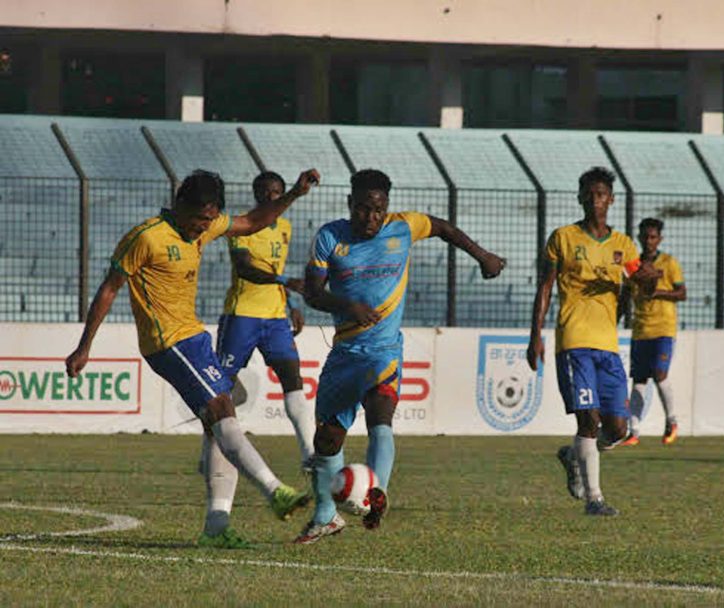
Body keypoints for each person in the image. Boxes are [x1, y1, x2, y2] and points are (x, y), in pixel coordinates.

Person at [65, 168, 320, 549]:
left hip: (194, 337)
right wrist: (85, 346)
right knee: (221, 408)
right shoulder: (146, 236)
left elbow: (253, 221)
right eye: (199, 219)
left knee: (221, 416)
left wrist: (295, 194)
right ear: (181, 204)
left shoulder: (207, 225)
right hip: (166, 343)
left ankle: (216, 527)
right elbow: (109, 289)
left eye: (209, 220)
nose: (203, 228)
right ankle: (274, 490)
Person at [295, 168, 505, 544]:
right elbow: (312, 292)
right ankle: (326, 516)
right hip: (345, 354)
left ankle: (378, 496)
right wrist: (347, 305)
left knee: (381, 416)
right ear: (350, 204)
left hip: (384, 351)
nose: (371, 218)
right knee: (327, 440)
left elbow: (444, 228)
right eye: (363, 209)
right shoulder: (330, 237)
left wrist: (483, 255)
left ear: (386, 207)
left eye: (378, 210)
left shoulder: (403, 227)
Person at [526, 167, 657, 517]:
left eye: (601, 194)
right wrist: (534, 335)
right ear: (580, 197)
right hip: (573, 342)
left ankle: (574, 456)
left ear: (611, 200)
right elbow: (545, 287)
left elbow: (642, 285)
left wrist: (647, 279)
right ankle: (594, 500)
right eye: (589, 193)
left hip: (608, 346)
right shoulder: (563, 238)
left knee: (618, 429)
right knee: (588, 422)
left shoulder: (623, 245)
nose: (595, 200)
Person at [216, 171, 315, 474]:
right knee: (221, 387)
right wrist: (286, 280)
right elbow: (246, 269)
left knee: (292, 376)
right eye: (266, 192)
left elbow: (275, 267)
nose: (272, 197)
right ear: (256, 194)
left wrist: (293, 303)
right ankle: (215, 450)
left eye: (276, 192)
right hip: (241, 315)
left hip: (275, 317)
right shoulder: (241, 225)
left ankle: (310, 454)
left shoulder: (285, 226)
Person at [624, 217, 686, 445]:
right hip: (640, 330)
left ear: (660, 239)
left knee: (659, 374)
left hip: (663, 328)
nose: (649, 241)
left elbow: (682, 293)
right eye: (645, 236)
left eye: (653, 237)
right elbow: (625, 295)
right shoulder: (632, 265)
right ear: (639, 237)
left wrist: (656, 293)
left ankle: (672, 421)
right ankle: (634, 431)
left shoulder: (669, 263)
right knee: (639, 380)